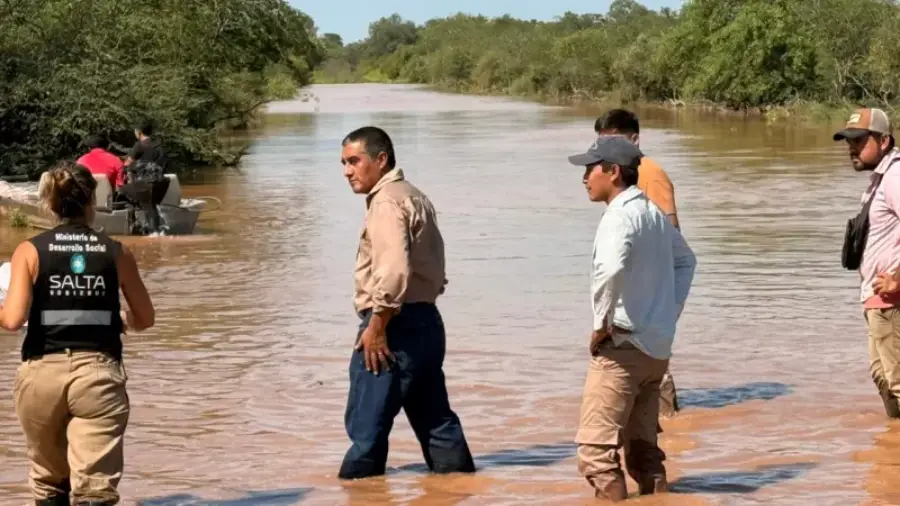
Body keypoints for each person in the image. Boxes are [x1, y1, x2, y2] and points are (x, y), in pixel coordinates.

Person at [0, 162, 155, 505]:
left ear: (50, 204)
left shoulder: (29, 250)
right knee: (94, 491)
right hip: (97, 376)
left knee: (49, 483)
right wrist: (121, 320)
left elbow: (12, 320)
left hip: (41, 375)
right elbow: (145, 317)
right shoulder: (116, 251)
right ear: (92, 201)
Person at [337, 126, 476, 480]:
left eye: (355, 161)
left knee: (366, 430)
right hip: (426, 322)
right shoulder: (414, 194)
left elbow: (394, 272)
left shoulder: (385, 202)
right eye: (343, 163)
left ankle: (357, 494)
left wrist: (377, 327)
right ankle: (460, 490)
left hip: (392, 326)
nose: (347, 172)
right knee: (437, 423)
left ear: (381, 160)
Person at [567, 136, 696, 501]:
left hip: (622, 347)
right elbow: (687, 261)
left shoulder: (620, 215)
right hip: (655, 350)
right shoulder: (652, 213)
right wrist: (669, 312)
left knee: (595, 453)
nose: (585, 177)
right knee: (643, 453)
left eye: (591, 169)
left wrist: (600, 323)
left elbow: (608, 271)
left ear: (612, 171)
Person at [595, 109, 682, 418]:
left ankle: (668, 429)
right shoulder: (616, 172)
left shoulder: (649, 173)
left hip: (650, 294)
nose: (605, 151)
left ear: (634, 139)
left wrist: (667, 299)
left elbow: (672, 235)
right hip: (636, 291)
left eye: (614, 141)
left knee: (655, 368)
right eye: (601, 143)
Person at [835, 107, 900, 418]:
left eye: (859, 141)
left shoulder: (895, 177)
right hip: (876, 300)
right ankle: (891, 458)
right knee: (883, 378)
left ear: (884, 141)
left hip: (891, 299)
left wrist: (898, 278)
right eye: (849, 141)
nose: (852, 148)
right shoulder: (881, 178)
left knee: (897, 381)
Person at [119, 120, 170, 234]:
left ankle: (140, 226)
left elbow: (127, 163)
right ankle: (156, 229)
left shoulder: (139, 145)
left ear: (139, 132)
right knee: (151, 205)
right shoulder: (160, 145)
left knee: (122, 191)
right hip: (161, 182)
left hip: (146, 183)